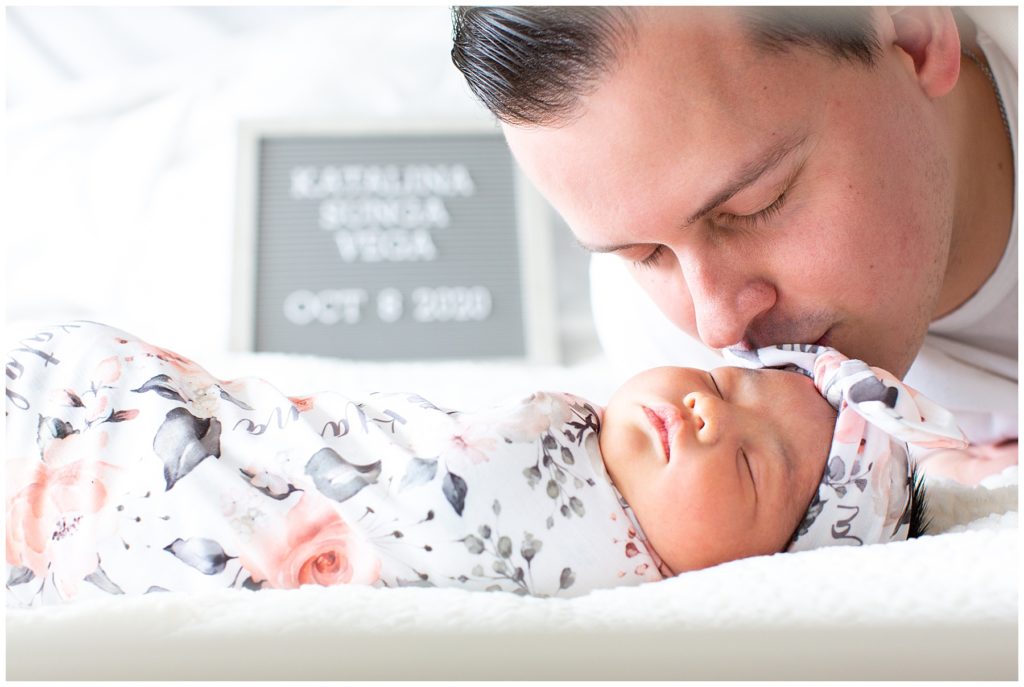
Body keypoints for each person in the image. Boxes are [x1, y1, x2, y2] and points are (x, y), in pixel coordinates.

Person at [6, 321, 964, 607]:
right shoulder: (579, 429)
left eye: (752, 469)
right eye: (723, 380)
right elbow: (372, 438)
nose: (705, 411)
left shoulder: (624, 571)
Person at [450, 6, 1017, 468]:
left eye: (755, 206)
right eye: (644, 257)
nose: (716, 327)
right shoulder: (662, 360)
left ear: (914, 36)